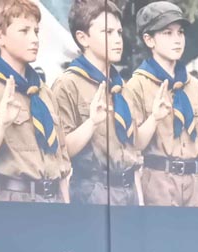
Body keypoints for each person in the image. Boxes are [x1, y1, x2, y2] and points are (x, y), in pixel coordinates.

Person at [0, 0, 71, 203]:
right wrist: (1, 124)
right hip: (14, 199)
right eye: (24, 31)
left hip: (54, 198)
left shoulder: (43, 92)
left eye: (36, 31)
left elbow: (61, 159)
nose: (35, 39)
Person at [127, 1, 198, 207]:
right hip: (159, 186)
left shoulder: (194, 86)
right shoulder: (137, 86)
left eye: (180, 32)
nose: (177, 40)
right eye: (167, 33)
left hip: (197, 187)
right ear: (149, 40)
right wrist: (154, 118)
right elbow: (133, 147)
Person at [52, 0, 141, 205]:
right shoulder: (68, 85)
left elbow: (132, 150)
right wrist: (91, 123)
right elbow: (59, 152)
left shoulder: (120, 86)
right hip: (92, 192)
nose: (117, 39)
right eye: (108, 32)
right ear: (83, 38)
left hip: (129, 191)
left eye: (119, 32)